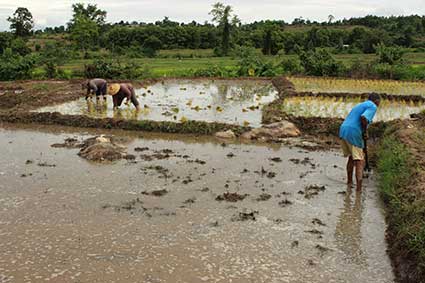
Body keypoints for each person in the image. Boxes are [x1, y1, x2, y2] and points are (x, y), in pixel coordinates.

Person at [339, 93, 380, 191]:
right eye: (379, 102)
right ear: (377, 101)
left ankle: (349, 183)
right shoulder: (373, 106)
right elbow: (363, 118)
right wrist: (364, 132)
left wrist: (364, 132)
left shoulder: (360, 105)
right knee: (360, 161)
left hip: (343, 130)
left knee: (352, 158)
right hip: (354, 132)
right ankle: (359, 190)